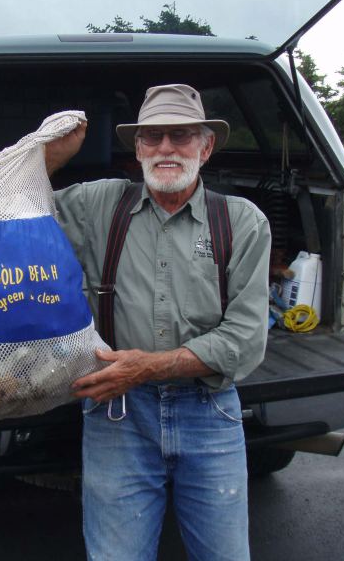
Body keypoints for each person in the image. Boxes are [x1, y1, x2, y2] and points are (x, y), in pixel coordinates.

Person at [45, 84, 270, 561]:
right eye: (152, 137)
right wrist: (50, 157)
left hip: (210, 411)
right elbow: (11, 206)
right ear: (137, 148)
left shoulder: (242, 221)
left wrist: (147, 367)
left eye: (181, 135)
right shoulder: (97, 205)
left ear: (205, 147)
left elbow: (245, 340)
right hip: (117, 414)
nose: (166, 148)